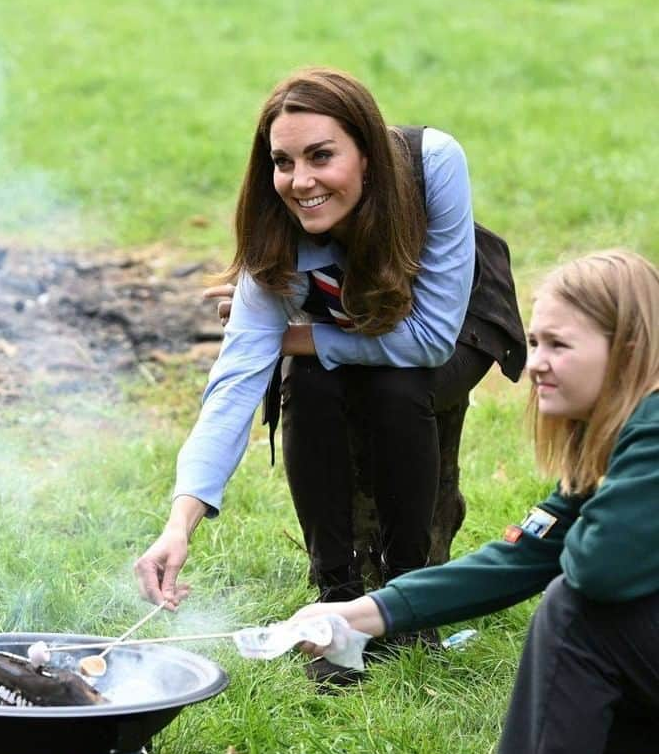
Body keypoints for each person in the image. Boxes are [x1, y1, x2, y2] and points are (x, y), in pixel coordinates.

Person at [287, 249, 659, 754]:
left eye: (559, 346)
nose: (535, 363)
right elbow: (520, 555)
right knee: (578, 659)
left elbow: (594, 569)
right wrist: (359, 615)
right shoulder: (620, 434)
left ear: (627, 348)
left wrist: (571, 532)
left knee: (573, 613)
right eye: (534, 341)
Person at [135, 68, 520, 653]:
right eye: (283, 162)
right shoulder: (275, 236)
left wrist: (294, 339)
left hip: (456, 317)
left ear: (366, 153)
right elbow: (234, 386)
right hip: (353, 312)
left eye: (321, 156)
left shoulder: (432, 161)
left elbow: (430, 340)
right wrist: (177, 526)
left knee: (393, 386)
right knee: (310, 384)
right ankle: (334, 597)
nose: (300, 181)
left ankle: (407, 603)